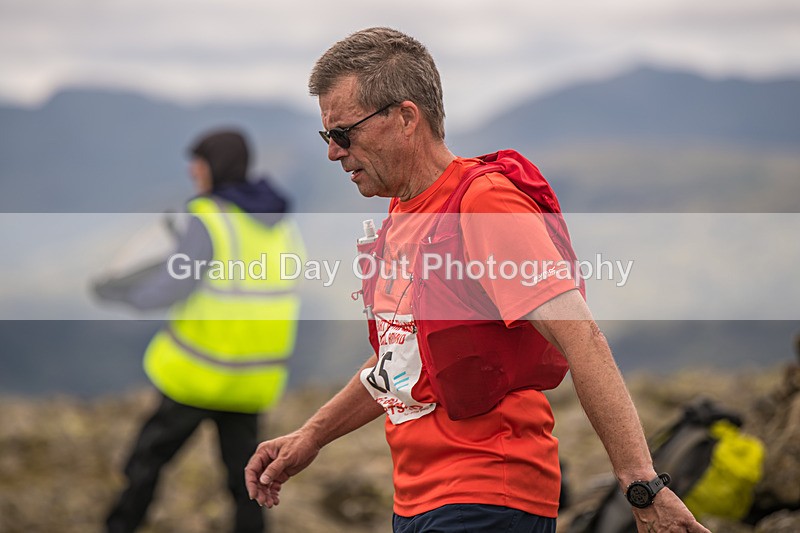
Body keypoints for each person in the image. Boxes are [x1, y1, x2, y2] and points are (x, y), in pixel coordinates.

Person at [245, 28, 710, 533]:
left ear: (405, 118)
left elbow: (583, 338)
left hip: (490, 496)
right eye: (326, 136)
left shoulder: (485, 203)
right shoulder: (403, 211)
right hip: (417, 502)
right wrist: (312, 435)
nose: (334, 153)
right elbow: (404, 359)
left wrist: (642, 486)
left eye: (343, 134)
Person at [95, 128, 304, 533]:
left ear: (217, 166)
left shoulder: (210, 219)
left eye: (199, 162)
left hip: (200, 377)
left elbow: (172, 283)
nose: (193, 171)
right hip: (253, 380)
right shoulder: (281, 225)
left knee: (146, 461)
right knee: (246, 478)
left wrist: (124, 295)